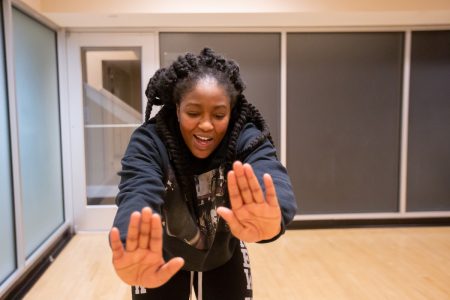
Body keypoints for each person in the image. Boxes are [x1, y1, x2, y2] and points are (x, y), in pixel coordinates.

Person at [109, 48, 297, 299]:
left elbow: (268, 171)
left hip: (223, 255)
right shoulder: (150, 141)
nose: (206, 124)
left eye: (219, 115)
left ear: (231, 111)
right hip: (159, 257)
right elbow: (137, 192)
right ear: (177, 109)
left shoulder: (245, 138)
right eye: (193, 113)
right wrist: (128, 242)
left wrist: (274, 216)